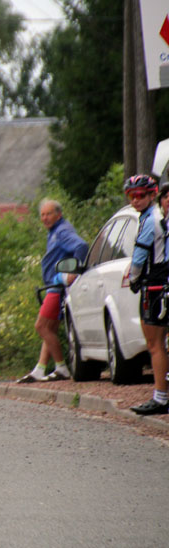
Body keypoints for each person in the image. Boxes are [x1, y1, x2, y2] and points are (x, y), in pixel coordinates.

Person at [17, 199, 88, 383]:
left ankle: (61, 367)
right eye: (42, 214)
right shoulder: (54, 231)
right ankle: (40, 369)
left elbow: (81, 246)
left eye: (49, 214)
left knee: (41, 326)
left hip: (57, 287)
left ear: (59, 214)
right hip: (53, 285)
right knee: (50, 329)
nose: (45, 218)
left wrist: (74, 270)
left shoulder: (62, 231)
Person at [125, 175, 169, 415]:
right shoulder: (161, 218)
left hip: (154, 284)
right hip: (163, 282)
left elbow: (140, 256)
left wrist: (133, 279)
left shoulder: (149, 221)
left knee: (154, 344)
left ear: (153, 195)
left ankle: (161, 397)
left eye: (141, 195)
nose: (135, 200)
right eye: (131, 196)